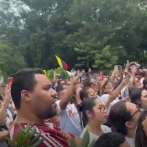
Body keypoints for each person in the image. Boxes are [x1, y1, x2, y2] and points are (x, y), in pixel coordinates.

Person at [10, 68, 81, 147]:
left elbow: (79, 141)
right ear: (26, 95)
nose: (54, 93)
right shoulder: (31, 138)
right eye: (46, 88)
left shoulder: (43, 122)